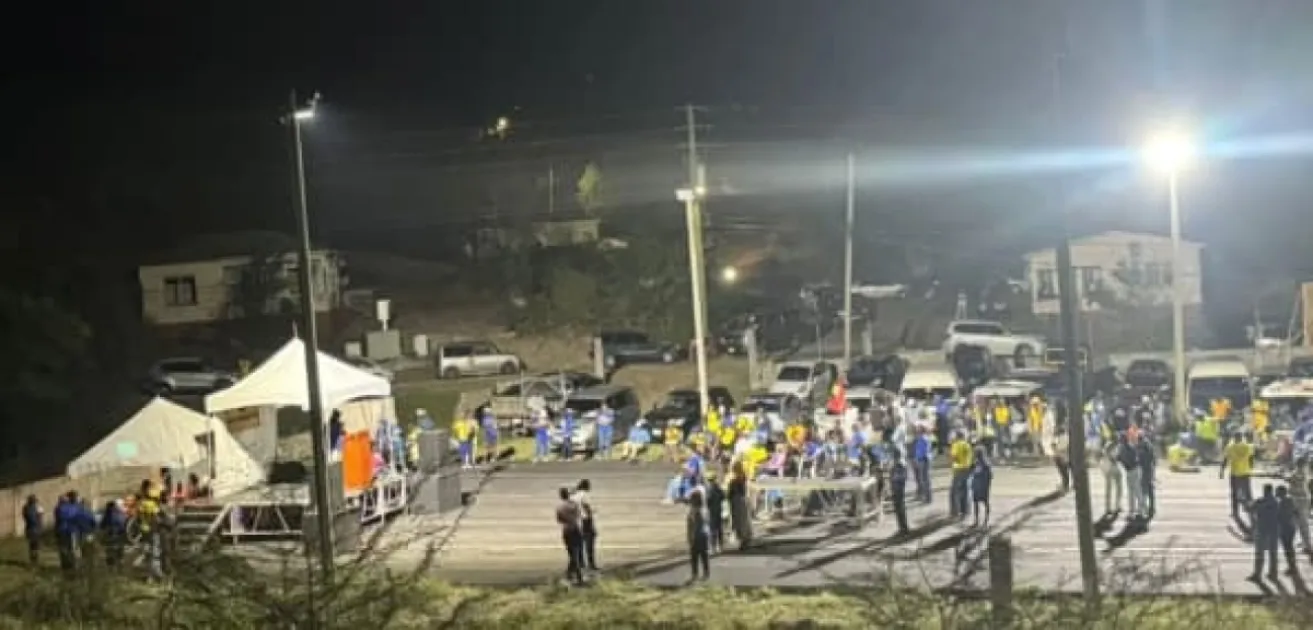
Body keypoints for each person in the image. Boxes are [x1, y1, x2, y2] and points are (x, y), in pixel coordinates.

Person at [1250, 484, 1280, 582]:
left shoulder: (1260, 501)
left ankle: (1257, 574)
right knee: (1273, 553)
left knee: (1259, 553)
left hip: (1262, 529)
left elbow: (1250, 509)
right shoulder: (1277, 502)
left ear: (1264, 491)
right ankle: (1273, 573)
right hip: (1274, 530)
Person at [1220, 433, 1255, 519]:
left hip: (1235, 473)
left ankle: (1235, 511)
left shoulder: (1230, 447)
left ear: (1234, 437)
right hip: (1245, 472)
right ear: (1241, 437)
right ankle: (1250, 509)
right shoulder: (1247, 446)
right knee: (1247, 493)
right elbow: (1251, 458)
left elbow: (1225, 459)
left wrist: (1222, 470)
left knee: (1235, 494)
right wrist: (1251, 467)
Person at [555, 487, 585, 585]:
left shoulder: (560, 507)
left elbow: (559, 519)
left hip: (567, 529)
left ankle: (573, 574)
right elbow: (579, 514)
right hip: (576, 528)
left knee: (572, 554)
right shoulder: (574, 504)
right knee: (577, 552)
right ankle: (574, 575)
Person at [573, 479, 599, 572]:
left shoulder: (574, 495)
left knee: (579, 542)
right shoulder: (584, 495)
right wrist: (591, 512)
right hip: (586, 520)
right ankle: (591, 563)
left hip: (576, 520)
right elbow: (586, 505)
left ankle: (581, 563)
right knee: (590, 542)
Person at [686, 490, 712, 582]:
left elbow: (694, 525)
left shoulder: (696, 512)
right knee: (703, 555)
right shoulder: (704, 510)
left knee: (695, 555)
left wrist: (691, 537)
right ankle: (705, 572)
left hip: (698, 536)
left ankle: (695, 573)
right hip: (704, 534)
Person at [727, 460, 752, 549]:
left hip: (736, 500)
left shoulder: (734, 478)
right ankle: (745, 539)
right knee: (743, 520)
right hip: (742, 499)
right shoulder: (742, 476)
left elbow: (730, 491)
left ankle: (741, 540)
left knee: (738, 521)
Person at [1276, 486, 1300, 576]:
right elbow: (1297, 513)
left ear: (1281, 493)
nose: (1276, 493)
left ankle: (1292, 567)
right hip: (1291, 527)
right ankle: (1292, 566)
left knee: (1287, 549)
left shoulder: (1280, 503)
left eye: (1277, 492)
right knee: (1290, 547)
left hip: (1284, 528)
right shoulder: (1291, 500)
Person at [1118, 434, 1143, 520]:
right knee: (1133, 492)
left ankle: (1138, 511)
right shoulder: (1129, 447)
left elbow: (1123, 459)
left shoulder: (1124, 448)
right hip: (1132, 470)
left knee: (1135, 491)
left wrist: (1120, 459)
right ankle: (1134, 511)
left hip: (1133, 470)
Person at [949, 431, 973, 519]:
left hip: (958, 469)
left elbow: (953, 456)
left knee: (954, 492)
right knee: (966, 491)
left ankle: (955, 512)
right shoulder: (967, 445)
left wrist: (954, 463)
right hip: (967, 469)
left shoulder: (956, 444)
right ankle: (966, 511)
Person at [100, 499, 128, 569]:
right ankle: (120, 564)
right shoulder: (121, 513)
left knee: (110, 551)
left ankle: (111, 566)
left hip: (110, 534)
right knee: (119, 550)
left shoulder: (107, 514)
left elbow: (102, 525)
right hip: (119, 534)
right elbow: (124, 524)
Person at [1099, 439, 1125, 515]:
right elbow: (1111, 457)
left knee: (1117, 488)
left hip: (1112, 468)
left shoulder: (1114, 446)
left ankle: (1115, 506)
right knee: (1110, 489)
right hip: (1109, 468)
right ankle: (1110, 507)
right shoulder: (1110, 446)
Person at [971, 445, 993, 527]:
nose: (975, 454)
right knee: (976, 503)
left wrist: (986, 486)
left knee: (985, 503)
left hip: (983, 487)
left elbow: (990, 476)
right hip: (976, 486)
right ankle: (976, 520)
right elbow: (973, 473)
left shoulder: (986, 464)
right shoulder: (975, 463)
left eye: (976, 453)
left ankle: (986, 520)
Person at [888, 450, 910, 535]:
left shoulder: (900, 465)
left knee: (900, 510)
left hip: (899, 490)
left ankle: (904, 528)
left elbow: (900, 477)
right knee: (898, 510)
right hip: (896, 490)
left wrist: (893, 478)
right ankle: (901, 528)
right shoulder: (896, 465)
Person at [705, 472, 726, 553]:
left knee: (712, 529)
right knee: (719, 528)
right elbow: (723, 496)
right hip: (718, 510)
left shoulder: (709, 489)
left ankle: (713, 547)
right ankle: (720, 546)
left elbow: (708, 500)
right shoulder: (718, 487)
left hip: (711, 511)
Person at [1137, 433, 1158, 519]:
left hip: (1143, 471)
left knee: (1143, 491)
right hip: (1150, 470)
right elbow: (1154, 459)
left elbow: (1138, 460)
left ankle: (1143, 509)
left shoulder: (1140, 448)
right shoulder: (1149, 446)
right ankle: (1152, 507)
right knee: (1150, 490)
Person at [911, 425, 933, 503]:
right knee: (922, 479)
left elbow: (922, 451)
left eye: (918, 430)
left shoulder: (923, 439)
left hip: (923, 460)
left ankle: (928, 497)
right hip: (921, 460)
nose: (916, 431)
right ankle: (924, 496)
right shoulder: (920, 438)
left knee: (925, 479)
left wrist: (917, 459)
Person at [22, 495, 42, 566]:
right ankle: (35, 559)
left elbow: (25, 517)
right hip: (35, 528)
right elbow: (39, 518)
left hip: (29, 528)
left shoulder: (25, 508)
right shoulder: (36, 508)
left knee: (32, 545)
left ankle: (33, 559)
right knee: (35, 545)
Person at [1052, 427, 1071, 493]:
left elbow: (1059, 448)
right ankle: (1065, 485)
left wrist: (1054, 447)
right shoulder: (1065, 437)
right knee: (1064, 473)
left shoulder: (1062, 438)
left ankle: (1065, 486)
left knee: (1064, 473)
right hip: (1062, 457)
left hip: (1062, 457)